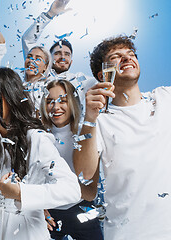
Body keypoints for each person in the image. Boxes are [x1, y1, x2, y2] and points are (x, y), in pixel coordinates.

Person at [0, 67, 81, 239]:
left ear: (10, 98)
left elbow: (71, 190)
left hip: (25, 230)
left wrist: (21, 193)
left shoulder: (35, 138)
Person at [73, 35, 171, 240]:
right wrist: (90, 117)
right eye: (116, 56)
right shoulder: (98, 121)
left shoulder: (164, 98)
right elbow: (84, 175)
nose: (127, 58)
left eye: (131, 54)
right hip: (126, 233)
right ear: (103, 74)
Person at [40, 80, 103, 240]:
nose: (56, 107)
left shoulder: (86, 134)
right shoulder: (36, 136)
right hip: (49, 216)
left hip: (81, 211)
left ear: (73, 102)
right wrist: (38, 208)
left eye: (62, 100)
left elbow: (90, 192)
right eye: (49, 101)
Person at [21, 0, 97, 113]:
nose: (62, 57)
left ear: (71, 62)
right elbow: (28, 40)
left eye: (67, 54)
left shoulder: (79, 80)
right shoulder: (39, 77)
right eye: (57, 53)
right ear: (48, 60)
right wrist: (49, 14)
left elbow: (102, 83)